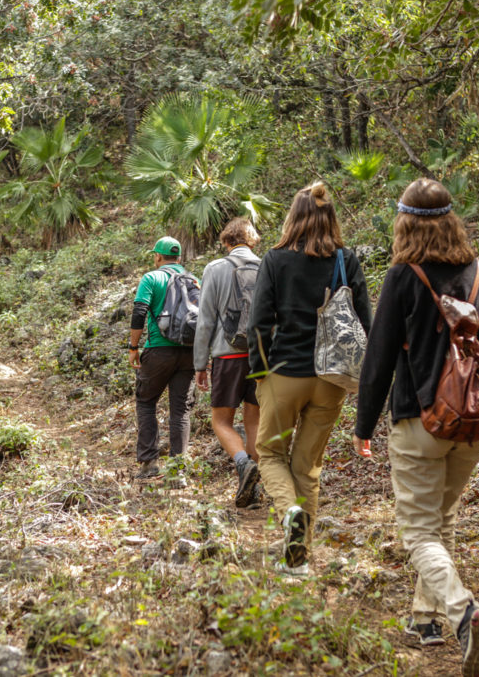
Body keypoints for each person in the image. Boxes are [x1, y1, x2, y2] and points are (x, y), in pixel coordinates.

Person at [353, 178, 479, 677]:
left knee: (418, 530)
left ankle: (461, 614)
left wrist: (363, 425)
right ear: (454, 220)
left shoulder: (402, 277)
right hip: (476, 423)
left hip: (420, 421)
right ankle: (425, 620)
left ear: (404, 222)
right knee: (443, 516)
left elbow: (380, 357)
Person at [247, 182, 372, 576]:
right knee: (308, 467)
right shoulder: (346, 260)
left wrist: (259, 372)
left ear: (293, 217)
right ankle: (297, 561)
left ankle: (289, 514)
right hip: (331, 380)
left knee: (268, 454)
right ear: (330, 218)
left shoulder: (276, 259)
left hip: (284, 373)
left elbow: (259, 324)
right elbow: (365, 323)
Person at [193, 217, 263, 508]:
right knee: (254, 419)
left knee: (221, 420)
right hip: (261, 357)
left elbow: (206, 318)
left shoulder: (216, 268)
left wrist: (200, 363)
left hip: (228, 354)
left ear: (226, 242)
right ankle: (255, 489)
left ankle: (243, 463)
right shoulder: (266, 266)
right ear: (253, 240)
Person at [128, 236, 197, 484]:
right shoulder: (192, 279)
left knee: (146, 401)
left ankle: (149, 463)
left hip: (158, 350)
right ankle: (178, 471)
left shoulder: (151, 277)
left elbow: (139, 311)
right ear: (179, 257)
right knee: (181, 410)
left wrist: (133, 346)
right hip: (188, 352)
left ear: (158, 256)